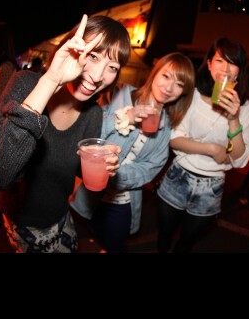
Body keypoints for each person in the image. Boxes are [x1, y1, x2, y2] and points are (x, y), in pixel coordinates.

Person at [0, 14, 131, 253]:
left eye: (112, 67)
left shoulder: (93, 113)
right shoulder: (25, 84)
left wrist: (102, 163)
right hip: (24, 221)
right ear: (70, 48)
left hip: (61, 215)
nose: (98, 76)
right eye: (93, 56)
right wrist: (51, 79)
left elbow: (78, 168)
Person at [71, 52, 196, 253]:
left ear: (183, 92)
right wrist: (125, 118)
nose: (169, 87)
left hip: (122, 201)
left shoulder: (166, 125)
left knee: (114, 247)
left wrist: (116, 175)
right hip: (89, 193)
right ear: (155, 72)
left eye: (179, 84)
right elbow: (88, 134)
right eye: (166, 76)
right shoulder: (119, 94)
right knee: (77, 240)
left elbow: (151, 167)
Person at [156, 37, 249, 253]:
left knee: (186, 243)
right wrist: (212, 149)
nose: (225, 69)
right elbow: (174, 139)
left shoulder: (246, 109)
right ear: (209, 64)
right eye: (220, 61)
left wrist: (233, 119)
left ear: (239, 71)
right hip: (178, 176)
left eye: (233, 63)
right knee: (164, 235)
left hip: (211, 187)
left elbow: (240, 160)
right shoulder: (192, 95)